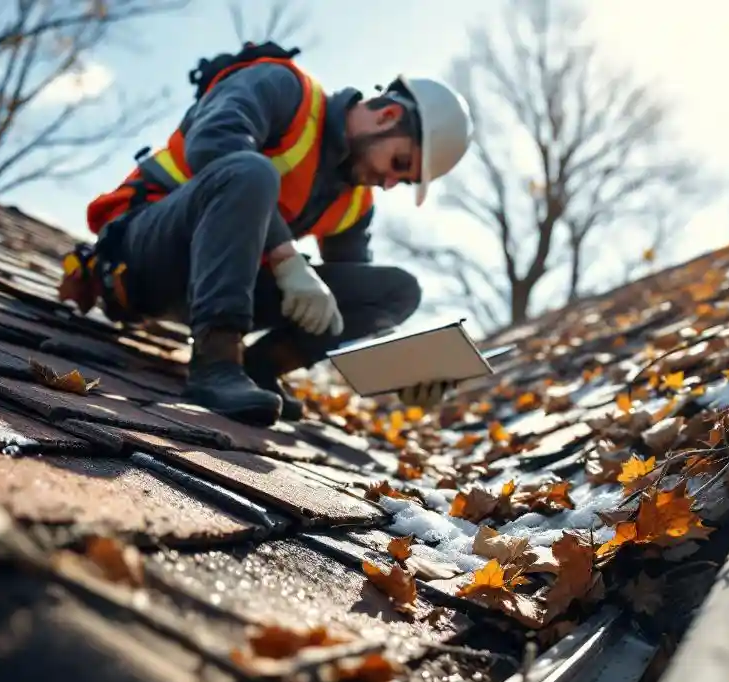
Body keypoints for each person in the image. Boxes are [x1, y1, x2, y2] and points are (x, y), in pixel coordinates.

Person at [67, 42, 472, 426]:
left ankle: (259, 367)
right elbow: (213, 143)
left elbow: (349, 301)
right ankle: (217, 361)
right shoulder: (284, 88)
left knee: (398, 291)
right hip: (142, 257)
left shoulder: (355, 203)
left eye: (403, 181)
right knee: (250, 170)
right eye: (399, 163)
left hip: (216, 283)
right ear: (387, 117)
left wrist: (400, 367)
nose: (389, 183)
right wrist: (286, 258)